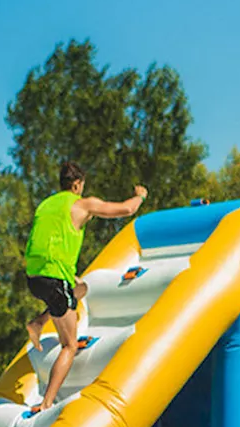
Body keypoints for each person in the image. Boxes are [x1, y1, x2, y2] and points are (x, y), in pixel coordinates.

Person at [24, 161, 148, 413]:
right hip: (54, 280)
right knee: (69, 345)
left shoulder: (46, 204)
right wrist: (139, 196)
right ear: (77, 184)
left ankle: (38, 322)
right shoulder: (81, 204)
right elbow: (125, 209)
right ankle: (46, 402)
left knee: (81, 289)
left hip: (34, 277)